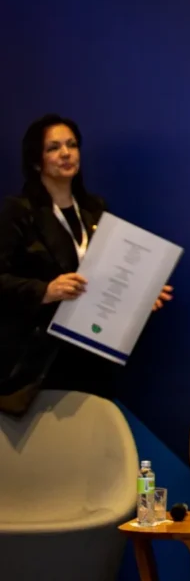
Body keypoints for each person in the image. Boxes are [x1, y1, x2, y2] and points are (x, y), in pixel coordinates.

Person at [0, 114, 173, 415]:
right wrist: (44, 290)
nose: (66, 153)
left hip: (93, 350)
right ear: (37, 161)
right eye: (54, 148)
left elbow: (108, 276)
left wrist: (140, 296)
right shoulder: (18, 210)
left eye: (72, 145)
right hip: (42, 358)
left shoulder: (95, 209)